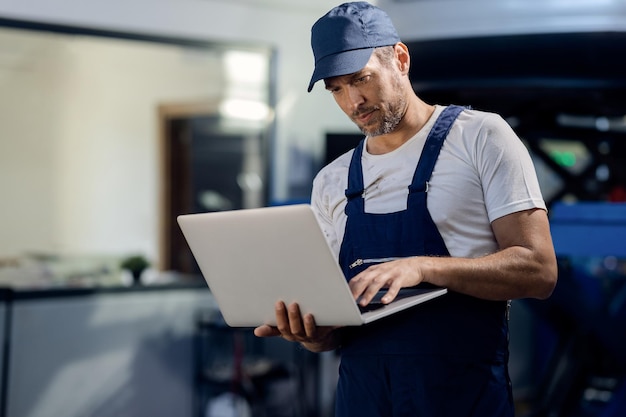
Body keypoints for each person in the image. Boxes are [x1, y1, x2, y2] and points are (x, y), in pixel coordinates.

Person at [254, 2, 558, 416]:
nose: (353, 101)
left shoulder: (481, 137)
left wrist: (423, 267)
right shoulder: (331, 181)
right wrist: (309, 332)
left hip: (460, 399)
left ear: (400, 58)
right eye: (336, 89)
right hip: (363, 400)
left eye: (361, 79)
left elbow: (539, 271)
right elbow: (332, 334)